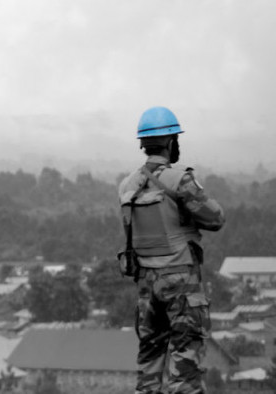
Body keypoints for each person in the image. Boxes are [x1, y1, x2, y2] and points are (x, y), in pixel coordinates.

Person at [118, 106, 224, 394]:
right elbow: (216, 218)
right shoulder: (180, 180)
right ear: (169, 142)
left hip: (146, 289)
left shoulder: (127, 185)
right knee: (185, 369)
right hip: (181, 284)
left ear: (143, 143)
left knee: (149, 367)